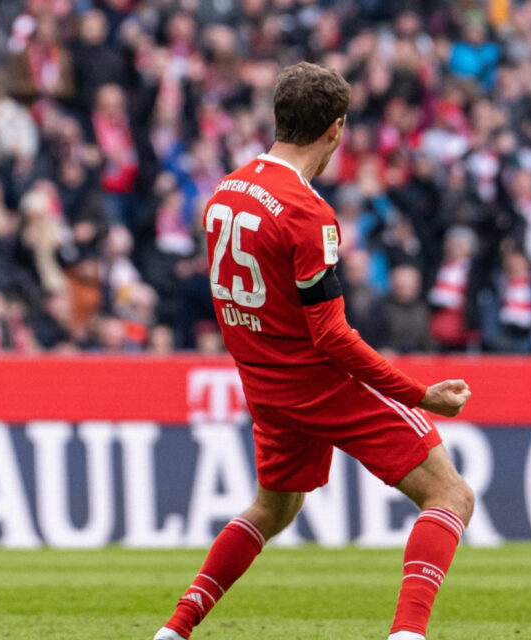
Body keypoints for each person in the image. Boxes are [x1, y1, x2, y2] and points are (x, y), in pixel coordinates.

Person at [156, 63, 474, 640]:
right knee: (450, 494)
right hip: (320, 383)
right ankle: (408, 635)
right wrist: (420, 394)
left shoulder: (224, 193)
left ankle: (175, 629)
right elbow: (331, 335)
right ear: (335, 129)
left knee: (274, 509)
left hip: (266, 388)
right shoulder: (308, 213)